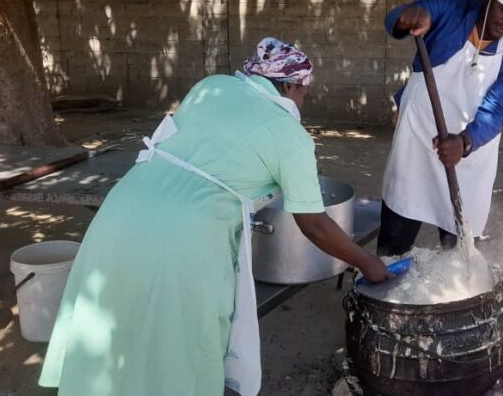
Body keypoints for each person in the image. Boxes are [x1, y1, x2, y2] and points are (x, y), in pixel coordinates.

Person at [39, 38, 392, 396]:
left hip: (119, 212)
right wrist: (366, 262)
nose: (303, 101)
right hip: (185, 239)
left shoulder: (212, 86)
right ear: (289, 85)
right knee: (180, 345)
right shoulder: (291, 136)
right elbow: (313, 223)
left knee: (112, 320)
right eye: (304, 92)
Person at [378, 0, 503, 256]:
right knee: (396, 238)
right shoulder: (454, 6)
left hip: (467, 153)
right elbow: (396, 18)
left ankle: (453, 293)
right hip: (417, 136)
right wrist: (409, 17)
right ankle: (385, 290)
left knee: (457, 249)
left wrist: (465, 142)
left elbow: (498, 108)